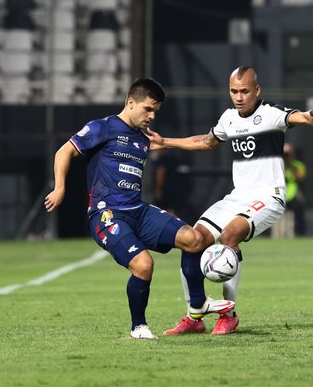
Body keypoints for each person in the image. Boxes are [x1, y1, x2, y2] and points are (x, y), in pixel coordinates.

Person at [44, 78, 234, 340]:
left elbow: (192, 143)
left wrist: (211, 137)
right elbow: (64, 152)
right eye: (148, 109)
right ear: (130, 103)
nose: (152, 116)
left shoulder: (144, 140)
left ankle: (198, 305)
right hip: (107, 214)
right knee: (144, 265)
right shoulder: (103, 127)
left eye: (155, 111)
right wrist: (60, 188)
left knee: (193, 239)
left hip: (138, 211)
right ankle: (139, 326)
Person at [148, 66, 313, 335]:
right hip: (238, 197)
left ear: (257, 90)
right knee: (192, 239)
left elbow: (295, 117)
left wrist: (310, 117)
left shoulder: (270, 113)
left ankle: (229, 315)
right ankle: (195, 316)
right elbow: (206, 142)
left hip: (269, 197)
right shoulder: (228, 119)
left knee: (230, 235)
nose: (239, 96)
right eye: (234, 91)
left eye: (244, 91)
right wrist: (164, 141)